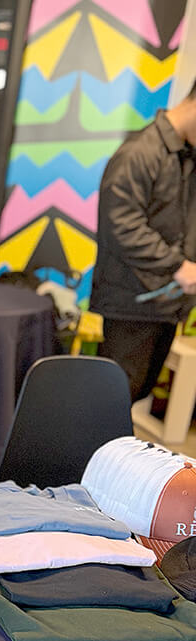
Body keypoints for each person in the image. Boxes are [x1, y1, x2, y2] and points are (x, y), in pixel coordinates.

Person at [91, 83, 196, 403]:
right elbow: (121, 226)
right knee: (113, 400)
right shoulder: (140, 152)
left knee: (138, 393)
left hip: (167, 306)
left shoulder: (186, 156)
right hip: (130, 303)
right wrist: (176, 265)